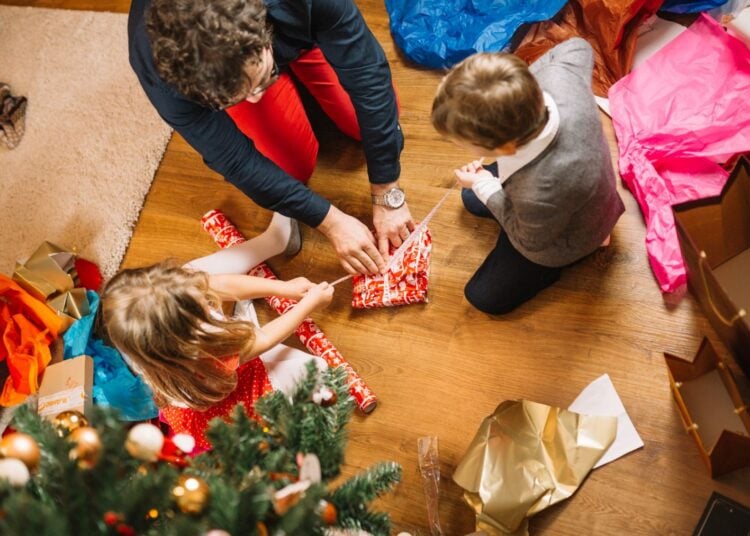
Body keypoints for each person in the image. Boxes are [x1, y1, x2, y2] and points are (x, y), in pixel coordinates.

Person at [128, 0, 415, 276]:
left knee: (372, 118)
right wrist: (331, 222)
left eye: (263, 80)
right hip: (248, 63)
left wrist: (387, 191)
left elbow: (368, 76)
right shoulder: (160, 73)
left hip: (301, 29)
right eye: (235, 99)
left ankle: (284, 64)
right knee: (290, 168)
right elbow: (237, 162)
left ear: (263, 38)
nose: (256, 99)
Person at [100, 214, 333, 449]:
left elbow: (218, 285)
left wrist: (284, 288)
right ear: (187, 329)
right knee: (318, 371)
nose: (206, 296)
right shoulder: (206, 355)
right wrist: (308, 304)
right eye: (202, 303)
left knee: (195, 273)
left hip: (207, 367)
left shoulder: (144, 329)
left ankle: (275, 240)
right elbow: (262, 339)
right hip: (227, 406)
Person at [431, 38, 625, 314]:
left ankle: (587, 246)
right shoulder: (559, 77)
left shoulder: (538, 191)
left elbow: (530, 242)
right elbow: (579, 46)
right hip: (579, 180)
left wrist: (483, 183)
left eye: (463, 143)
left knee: (482, 297)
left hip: (564, 233)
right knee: (470, 196)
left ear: (505, 148)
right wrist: (521, 85)